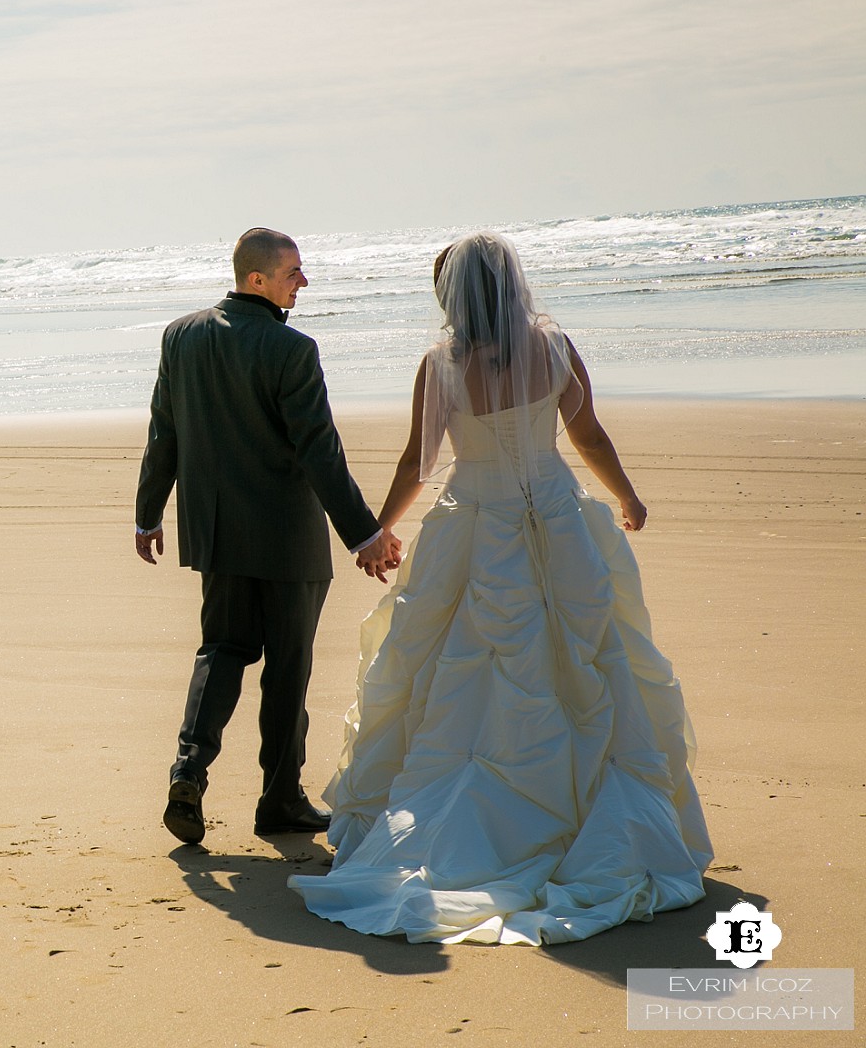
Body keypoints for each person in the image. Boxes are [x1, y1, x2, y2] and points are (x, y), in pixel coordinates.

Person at [288, 232, 712, 945]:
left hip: (474, 525)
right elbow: (590, 436)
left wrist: (376, 532)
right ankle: (582, 823)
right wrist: (628, 498)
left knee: (455, 672)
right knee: (586, 665)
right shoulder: (552, 347)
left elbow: (419, 460)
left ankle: (460, 832)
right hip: (557, 517)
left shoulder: (444, 364)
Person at [135, 227, 402, 846]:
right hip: (287, 540)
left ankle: (189, 770)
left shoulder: (182, 336)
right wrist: (364, 535)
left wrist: (149, 514)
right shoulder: (292, 350)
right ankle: (279, 799)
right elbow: (320, 453)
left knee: (221, 651)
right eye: (293, 273)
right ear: (257, 280)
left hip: (219, 533)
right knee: (288, 668)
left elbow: (162, 431)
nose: (303, 282)